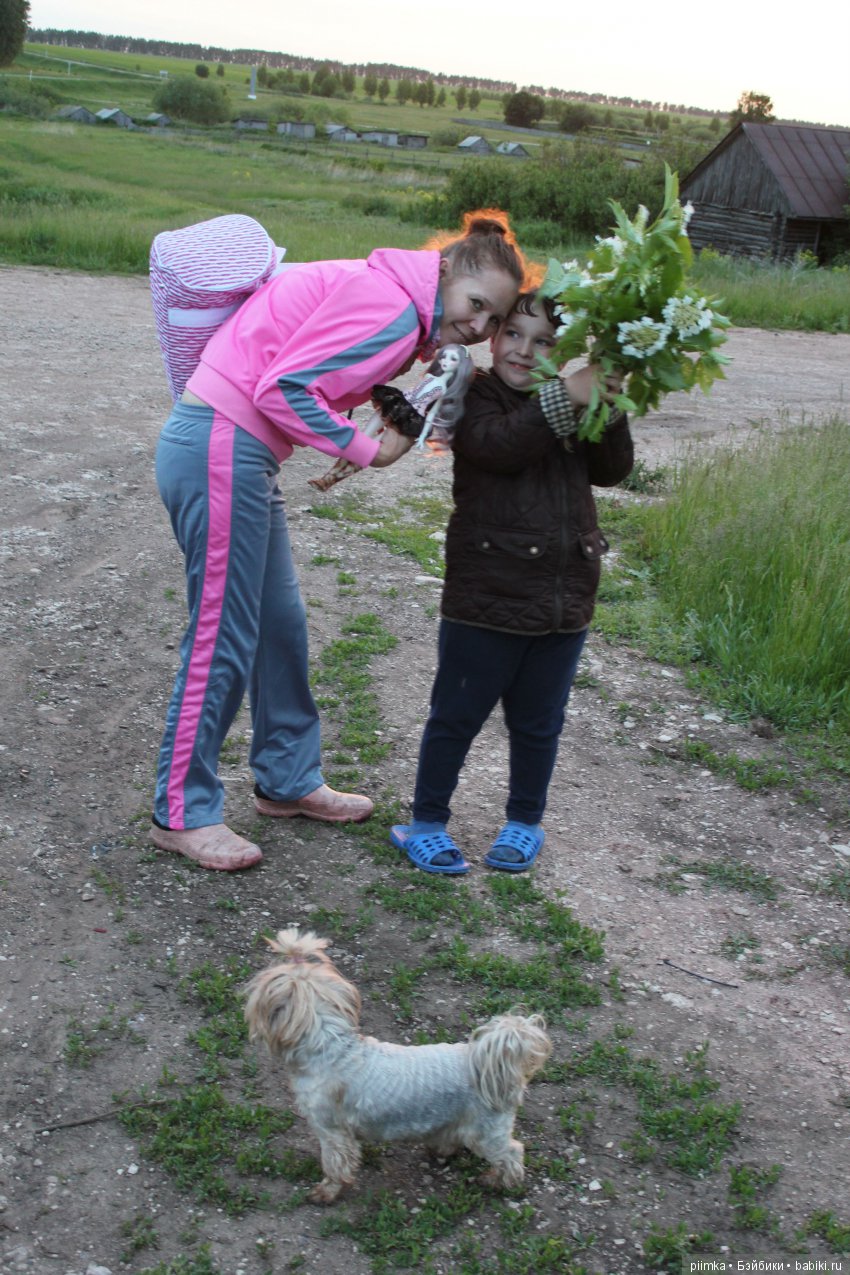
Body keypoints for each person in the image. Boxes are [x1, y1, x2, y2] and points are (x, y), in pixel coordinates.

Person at [151, 210, 529, 871]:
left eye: (494, 320)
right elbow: (283, 387)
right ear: (444, 272)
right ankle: (181, 811)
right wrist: (368, 451)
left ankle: (287, 779)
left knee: (280, 623)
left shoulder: (391, 302)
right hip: (221, 445)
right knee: (224, 634)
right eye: (476, 305)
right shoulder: (387, 305)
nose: (479, 327)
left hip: (241, 451)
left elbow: (307, 373)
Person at [391, 292, 634, 875]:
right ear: (492, 338)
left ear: (565, 351)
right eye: (513, 335)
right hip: (485, 597)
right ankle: (425, 823)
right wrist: (566, 394)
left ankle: (524, 821)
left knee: (538, 722)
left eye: (545, 341)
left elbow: (611, 471)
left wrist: (609, 403)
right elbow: (499, 447)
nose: (526, 351)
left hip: (562, 598)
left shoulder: (573, 402)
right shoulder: (475, 396)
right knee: (456, 717)